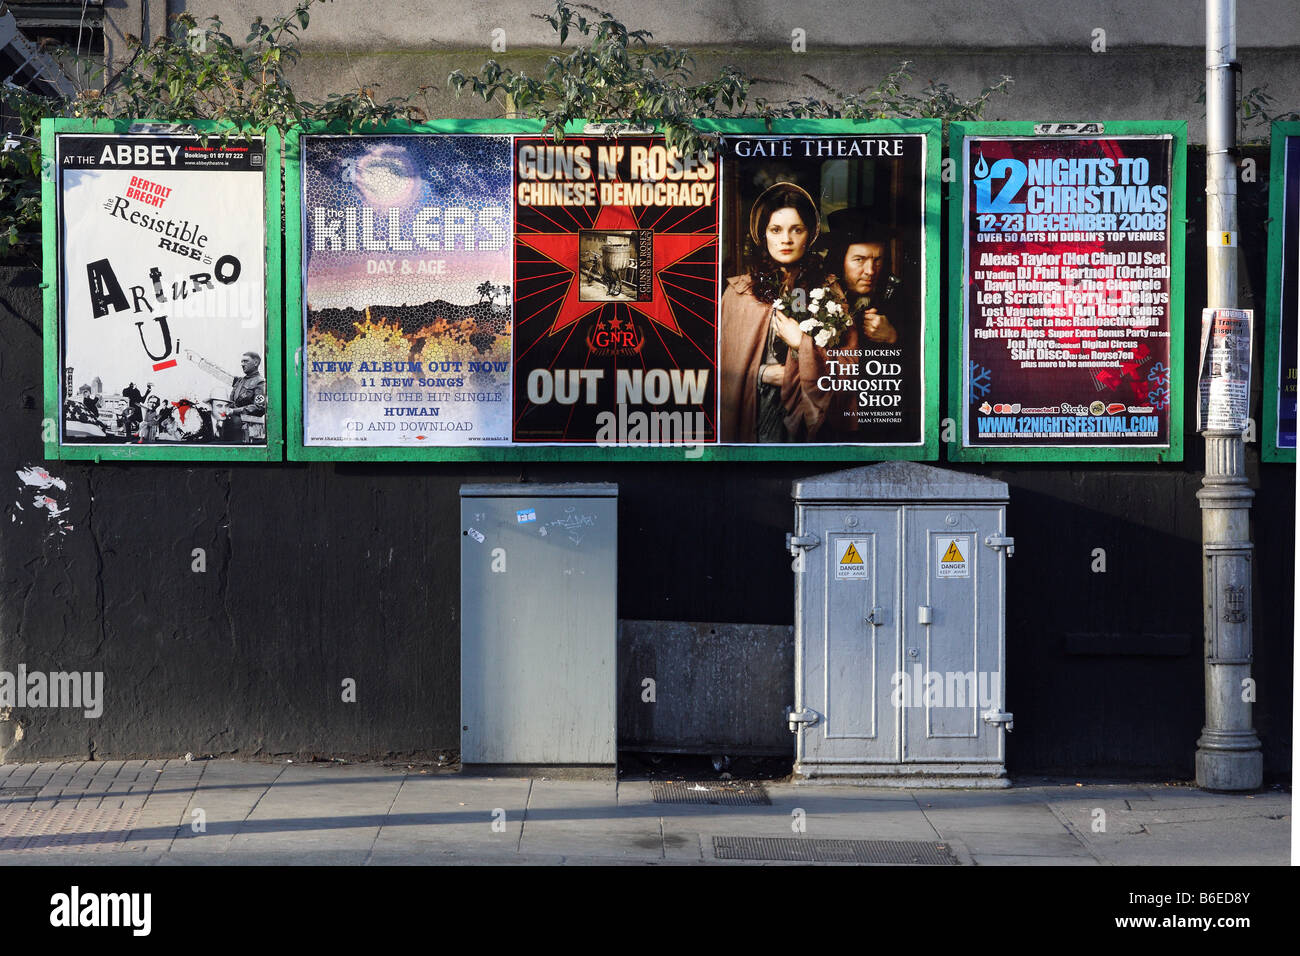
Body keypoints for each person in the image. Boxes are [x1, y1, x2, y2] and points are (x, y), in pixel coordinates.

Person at [719, 182, 829, 442]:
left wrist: (803, 346)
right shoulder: (739, 293)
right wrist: (762, 373)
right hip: (755, 411)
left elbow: (845, 367)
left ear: (809, 234)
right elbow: (721, 366)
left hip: (805, 416)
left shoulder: (828, 291)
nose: (786, 239)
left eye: (797, 230)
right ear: (763, 233)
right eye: (776, 229)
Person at [225, 351, 266, 443]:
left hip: (248, 430)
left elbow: (259, 407)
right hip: (232, 427)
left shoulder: (260, 382)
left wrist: (233, 411)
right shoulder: (240, 381)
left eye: (245, 361)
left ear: (255, 363)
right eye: (242, 361)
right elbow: (232, 402)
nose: (242, 364)